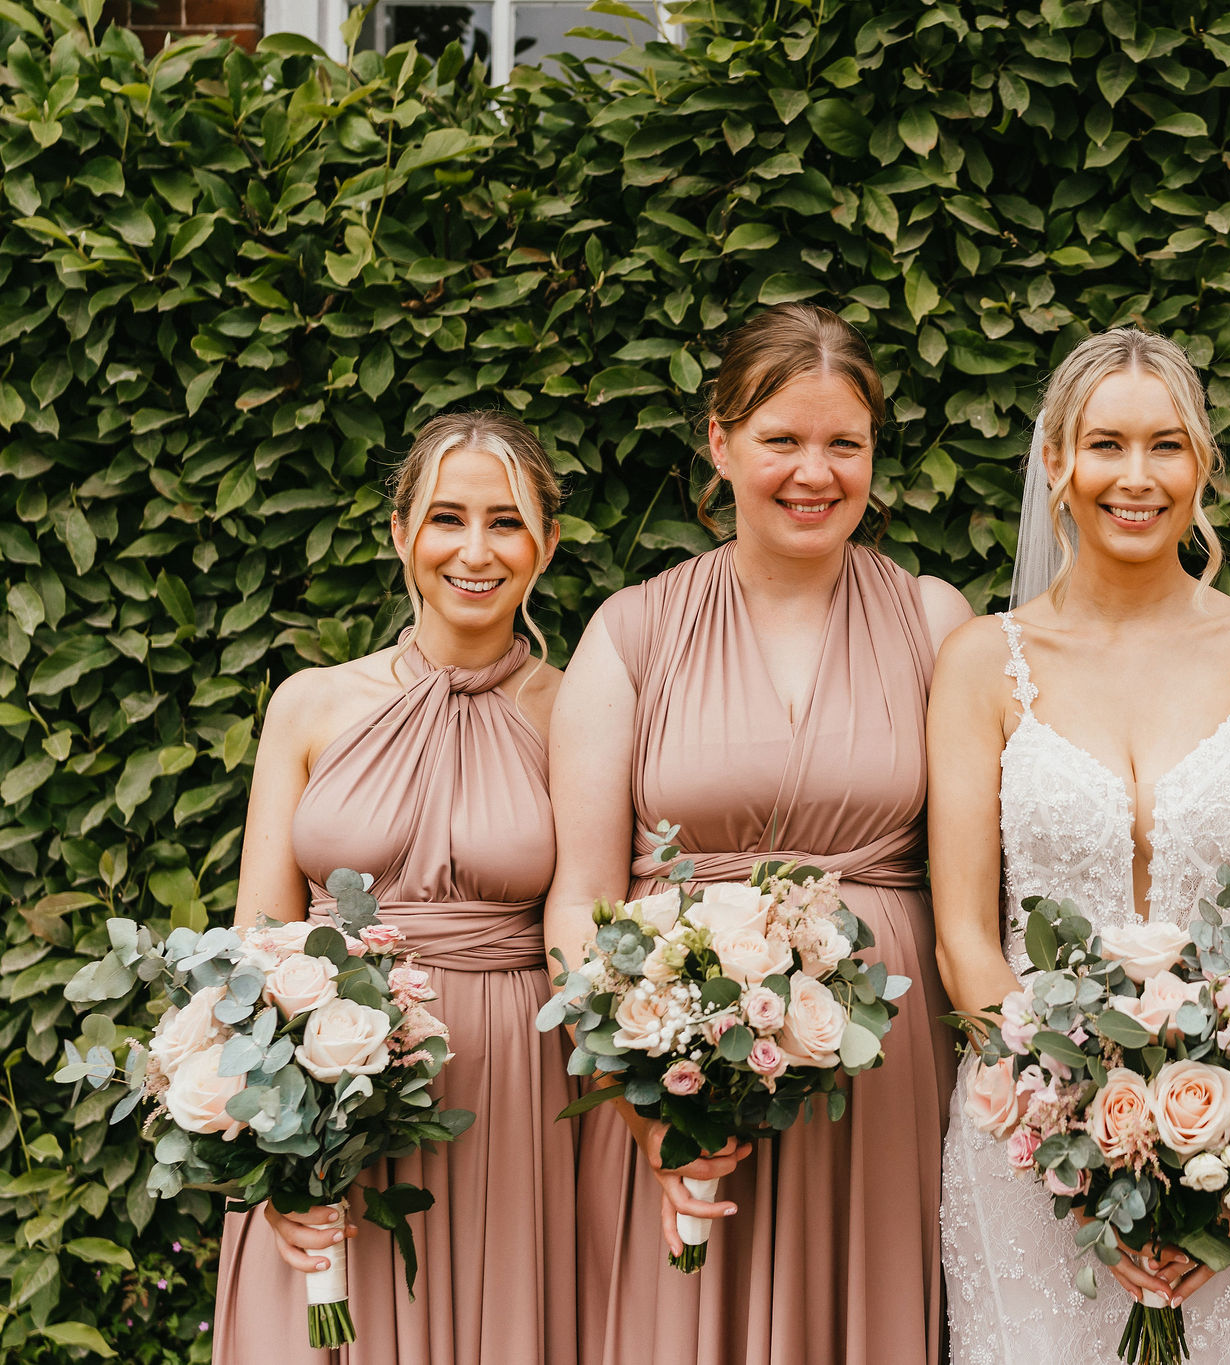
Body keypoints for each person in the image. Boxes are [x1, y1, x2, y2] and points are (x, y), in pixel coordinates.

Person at [546, 302, 973, 1365]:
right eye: (781, 440)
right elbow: (576, 896)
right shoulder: (630, 630)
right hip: (673, 1071)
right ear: (720, 442)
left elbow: (977, 885)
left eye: (844, 444)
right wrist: (629, 1081)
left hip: (876, 1081)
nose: (813, 473)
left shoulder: (933, 621)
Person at [931, 327, 1230, 1364]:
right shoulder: (982, 663)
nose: (1136, 477)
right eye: (1106, 445)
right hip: (1026, 1143)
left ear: (1201, 467)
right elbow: (966, 941)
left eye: (1166, 446)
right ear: (1055, 463)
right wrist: (1074, 1146)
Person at [212, 412, 577, 1364]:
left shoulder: (578, 711)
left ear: (545, 542)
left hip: (506, 1097)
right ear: (400, 535)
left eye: (506, 521)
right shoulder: (309, 703)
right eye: (446, 517)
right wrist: (268, 1154)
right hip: (324, 1096)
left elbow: (586, 925)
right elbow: (257, 942)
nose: (474, 549)